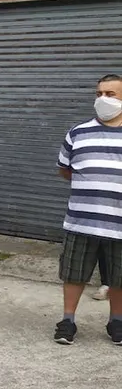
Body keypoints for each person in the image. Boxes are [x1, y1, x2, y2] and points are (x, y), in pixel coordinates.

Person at [54, 74, 122, 345]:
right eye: (99, 94)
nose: (103, 99)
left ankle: (117, 321)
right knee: (73, 273)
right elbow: (65, 170)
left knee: (119, 276)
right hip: (81, 220)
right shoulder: (78, 132)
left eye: (111, 94)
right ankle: (67, 321)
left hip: (119, 223)